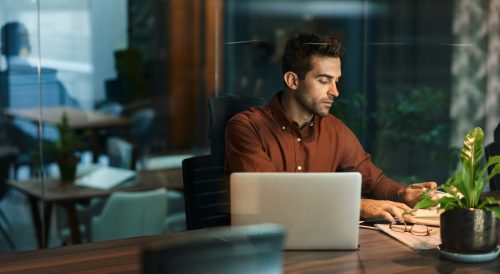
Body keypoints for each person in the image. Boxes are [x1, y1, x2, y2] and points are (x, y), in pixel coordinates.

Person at [225, 32, 437, 223]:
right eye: (324, 81)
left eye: (336, 81)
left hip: (321, 245)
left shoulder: (334, 129)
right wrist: (357, 207)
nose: (335, 92)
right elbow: (269, 196)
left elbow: (373, 180)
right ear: (292, 80)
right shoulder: (246, 127)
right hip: (263, 249)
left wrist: (402, 193)